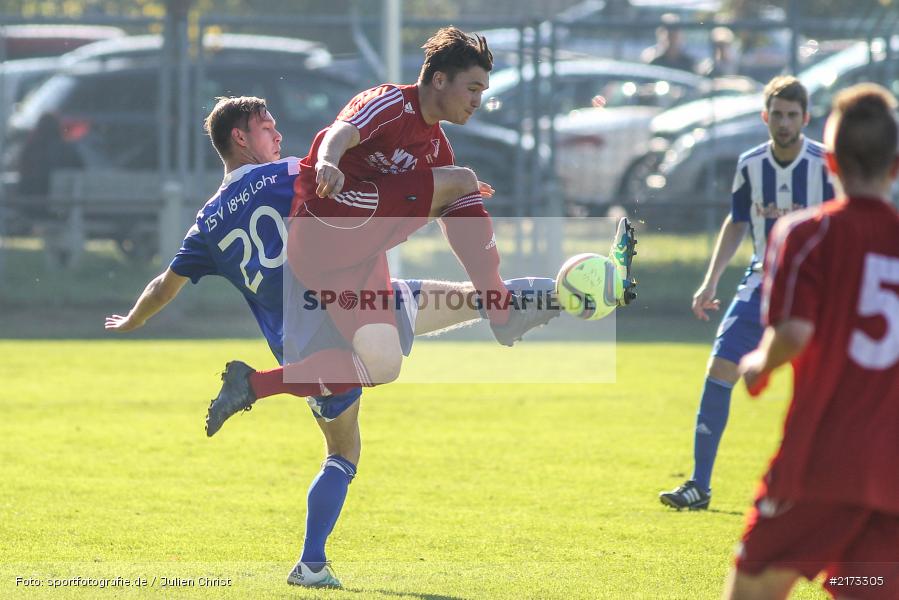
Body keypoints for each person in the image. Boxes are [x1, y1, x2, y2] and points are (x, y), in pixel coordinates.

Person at [106, 96, 638, 588]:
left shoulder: (205, 223)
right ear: (240, 140)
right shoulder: (291, 172)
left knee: (355, 434)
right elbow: (365, 191)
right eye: (265, 128)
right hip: (342, 304)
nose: (277, 132)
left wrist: (131, 320)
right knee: (360, 428)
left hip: (306, 345)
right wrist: (444, 190)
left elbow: (162, 287)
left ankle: (311, 562)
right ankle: (578, 294)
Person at [203, 27, 637, 439]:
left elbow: (455, 213)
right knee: (462, 182)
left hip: (355, 256)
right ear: (439, 80)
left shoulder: (436, 147)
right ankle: (502, 312)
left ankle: (253, 384)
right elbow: (341, 131)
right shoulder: (391, 102)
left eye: (482, 92)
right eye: (472, 89)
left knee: (383, 363)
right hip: (328, 223)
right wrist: (330, 162)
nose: (478, 101)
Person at [724, 82, 899, 600]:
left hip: (821, 467)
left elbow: (795, 332)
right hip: (891, 478)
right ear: (895, 166)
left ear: (832, 165)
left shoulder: (809, 235)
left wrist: (760, 362)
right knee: (859, 584)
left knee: (753, 588)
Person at [659, 76, 834, 510]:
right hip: (762, 283)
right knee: (720, 370)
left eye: (793, 115)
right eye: (777, 114)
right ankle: (699, 484)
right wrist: (710, 280)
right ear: (765, 116)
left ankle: (824, 490)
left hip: (818, 289)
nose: (784, 122)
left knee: (824, 385)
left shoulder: (826, 165)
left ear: (806, 118)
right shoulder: (751, 164)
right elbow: (737, 220)